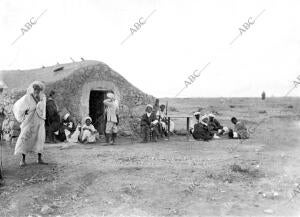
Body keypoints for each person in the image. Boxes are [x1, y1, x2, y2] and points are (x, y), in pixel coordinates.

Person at [13, 81, 47, 166]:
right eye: (35, 89)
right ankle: (23, 159)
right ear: (33, 89)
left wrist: (42, 116)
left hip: (39, 120)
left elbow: (43, 109)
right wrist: (24, 114)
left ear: (40, 90)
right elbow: (19, 107)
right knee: (25, 137)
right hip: (30, 120)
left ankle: (39, 158)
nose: (37, 91)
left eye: (39, 89)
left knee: (40, 138)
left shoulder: (43, 97)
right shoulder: (27, 97)